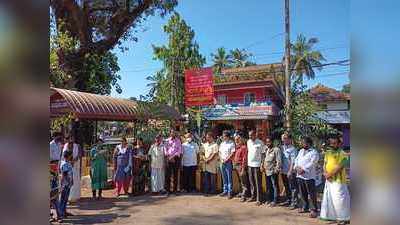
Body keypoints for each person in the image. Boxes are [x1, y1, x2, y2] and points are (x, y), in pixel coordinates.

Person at [320, 135, 350, 224]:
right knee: (330, 199)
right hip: (329, 180)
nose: (332, 145)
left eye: (334, 143)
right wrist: (325, 173)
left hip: (339, 181)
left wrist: (329, 174)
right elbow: (324, 164)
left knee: (339, 200)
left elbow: (340, 167)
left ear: (339, 144)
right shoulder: (328, 153)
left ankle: (343, 218)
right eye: (331, 143)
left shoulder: (343, 154)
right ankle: (332, 216)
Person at [294, 136, 320, 218]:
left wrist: (303, 169)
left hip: (309, 176)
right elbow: (296, 160)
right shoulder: (301, 151)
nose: (302, 144)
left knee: (311, 194)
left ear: (308, 143)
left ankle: (314, 210)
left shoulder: (314, 152)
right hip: (300, 175)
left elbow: (313, 163)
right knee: (302, 192)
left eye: (303, 142)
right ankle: (305, 207)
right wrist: (296, 167)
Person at [280, 133, 299, 209]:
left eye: (285, 138)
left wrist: (290, 171)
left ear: (290, 139)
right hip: (283, 171)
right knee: (287, 186)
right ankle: (289, 200)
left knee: (293, 187)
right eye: (283, 138)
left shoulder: (293, 149)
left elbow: (293, 161)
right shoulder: (282, 148)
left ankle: (294, 202)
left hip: (290, 172)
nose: (283, 139)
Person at [246, 130, 264, 206]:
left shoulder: (260, 143)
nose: (250, 137)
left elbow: (263, 154)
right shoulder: (248, 142)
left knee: (257, 183)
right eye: (249, 135)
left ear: (255, 135)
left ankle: (259, 199)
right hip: (250, 165)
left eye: (251, 135)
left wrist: (262, 164)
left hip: (257, 165)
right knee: (252, 182)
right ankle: (253, 196)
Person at [263, 136, 282, 207]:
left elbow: (279, 161)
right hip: (267, 171)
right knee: (268, 186)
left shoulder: (276, 150)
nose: (268, 143)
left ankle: (275, 200)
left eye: (269, 142)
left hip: (273, 171)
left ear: (272, 142)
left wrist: (276, 170)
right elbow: (264, 159)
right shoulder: (266, 149)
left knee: (275, 186)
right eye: (266, 142)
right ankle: (269, 199)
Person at [62, 136, 81, 203]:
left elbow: (78, 155)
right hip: (67, 165)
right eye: (70, 139)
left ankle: (75, 196)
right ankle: (68, 198)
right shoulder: (65, 146)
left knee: (74, 181)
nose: (71, 140)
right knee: (67, 181)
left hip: (75, 165)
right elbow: (64, 156)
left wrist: (74, 161)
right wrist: (69, 162)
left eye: (72, 139)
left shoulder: (77, 146)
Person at [164, 129, 183, 195]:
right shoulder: (166, 141)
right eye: (172, 132)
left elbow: (179, 150)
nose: (173, 134)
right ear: (170, 133)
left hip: (176, 159)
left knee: (175, 175)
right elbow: (165, 149)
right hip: (168, 158)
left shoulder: (178, 141)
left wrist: (173, 157)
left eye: (174, 133)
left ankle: (175, 190)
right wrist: (168, 156)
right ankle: (168, 191)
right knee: (168, 175)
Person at [218, 130, 236, 199]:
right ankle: (225, 190)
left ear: (227, 136)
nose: (223, 137)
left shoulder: (231, 143)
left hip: (228, 162)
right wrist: (221, 159)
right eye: (223, 136)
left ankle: (230, 192)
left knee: (229, 177)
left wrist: (226, 159)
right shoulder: (222, 143)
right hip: (222, 162)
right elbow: (219, 152)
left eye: (224, 136)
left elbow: (232, 153)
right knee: (224, 177)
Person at [233, 133, 250, 202]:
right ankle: (242, 193)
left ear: (241, 139)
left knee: (243, 182)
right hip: (237, 166)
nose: (236, 141)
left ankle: (244, 195)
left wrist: (243, 168)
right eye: (235, 139)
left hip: (240, 166)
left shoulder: (243, 147)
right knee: (240, 181)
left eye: (238, 139)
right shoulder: (237, 147)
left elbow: (244, 159)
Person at [58, 150, 74, 223]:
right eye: (71, 155)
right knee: (63, 199)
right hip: (65, 184)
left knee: (65, 199)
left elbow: (70, 173)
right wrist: (68, 182)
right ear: (68, 156)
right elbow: (65, 175)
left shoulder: (68, 163)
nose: (72, 156)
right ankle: (61, 213)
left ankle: (64, 211)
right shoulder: (64, 164)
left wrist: (71, 180)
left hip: (68, 183)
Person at [201, 132, 219, 196]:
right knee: (206, 178)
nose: (207, 138)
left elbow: (214, 154)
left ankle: (213, 191)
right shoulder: (204, 145)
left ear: (211, 137)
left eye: (208, 137)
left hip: (212, 165)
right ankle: (206, 190)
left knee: (212, 179)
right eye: (206, 137)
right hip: (206, 164)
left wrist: (208, 159)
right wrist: (205, 159)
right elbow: (202, 153)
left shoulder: (215, 145)